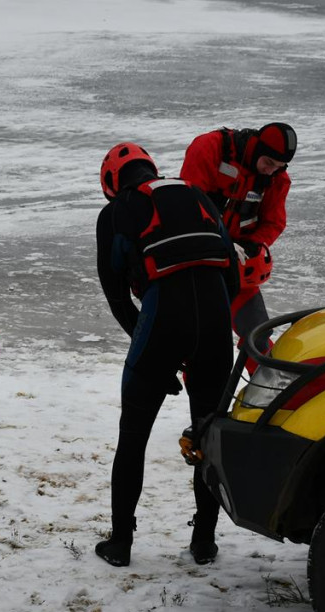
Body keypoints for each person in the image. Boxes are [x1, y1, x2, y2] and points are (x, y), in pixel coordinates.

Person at [94, 142, 238, 567]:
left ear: (111, 183)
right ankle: (204, 542)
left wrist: (153, 349)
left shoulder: (116, 211)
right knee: (207, 435)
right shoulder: (199, 195)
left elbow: (117, 295)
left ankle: (121, 544)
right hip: (214, 322)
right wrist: (205, 334)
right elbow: (230, 271)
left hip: (162, 318)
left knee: (133, 436)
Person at [180, 122, 297, 372]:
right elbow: (187, 206)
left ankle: (268, 396)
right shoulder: (210, 148)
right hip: (200, 263)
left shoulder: (276, 177)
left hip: (239, 267)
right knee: (202, 345)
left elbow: (274, 222)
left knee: (258, 337)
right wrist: (220, 243)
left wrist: (253, 244)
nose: (269, 171)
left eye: (278, 167)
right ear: (256, 147)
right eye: (268, 163)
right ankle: (205, 409)